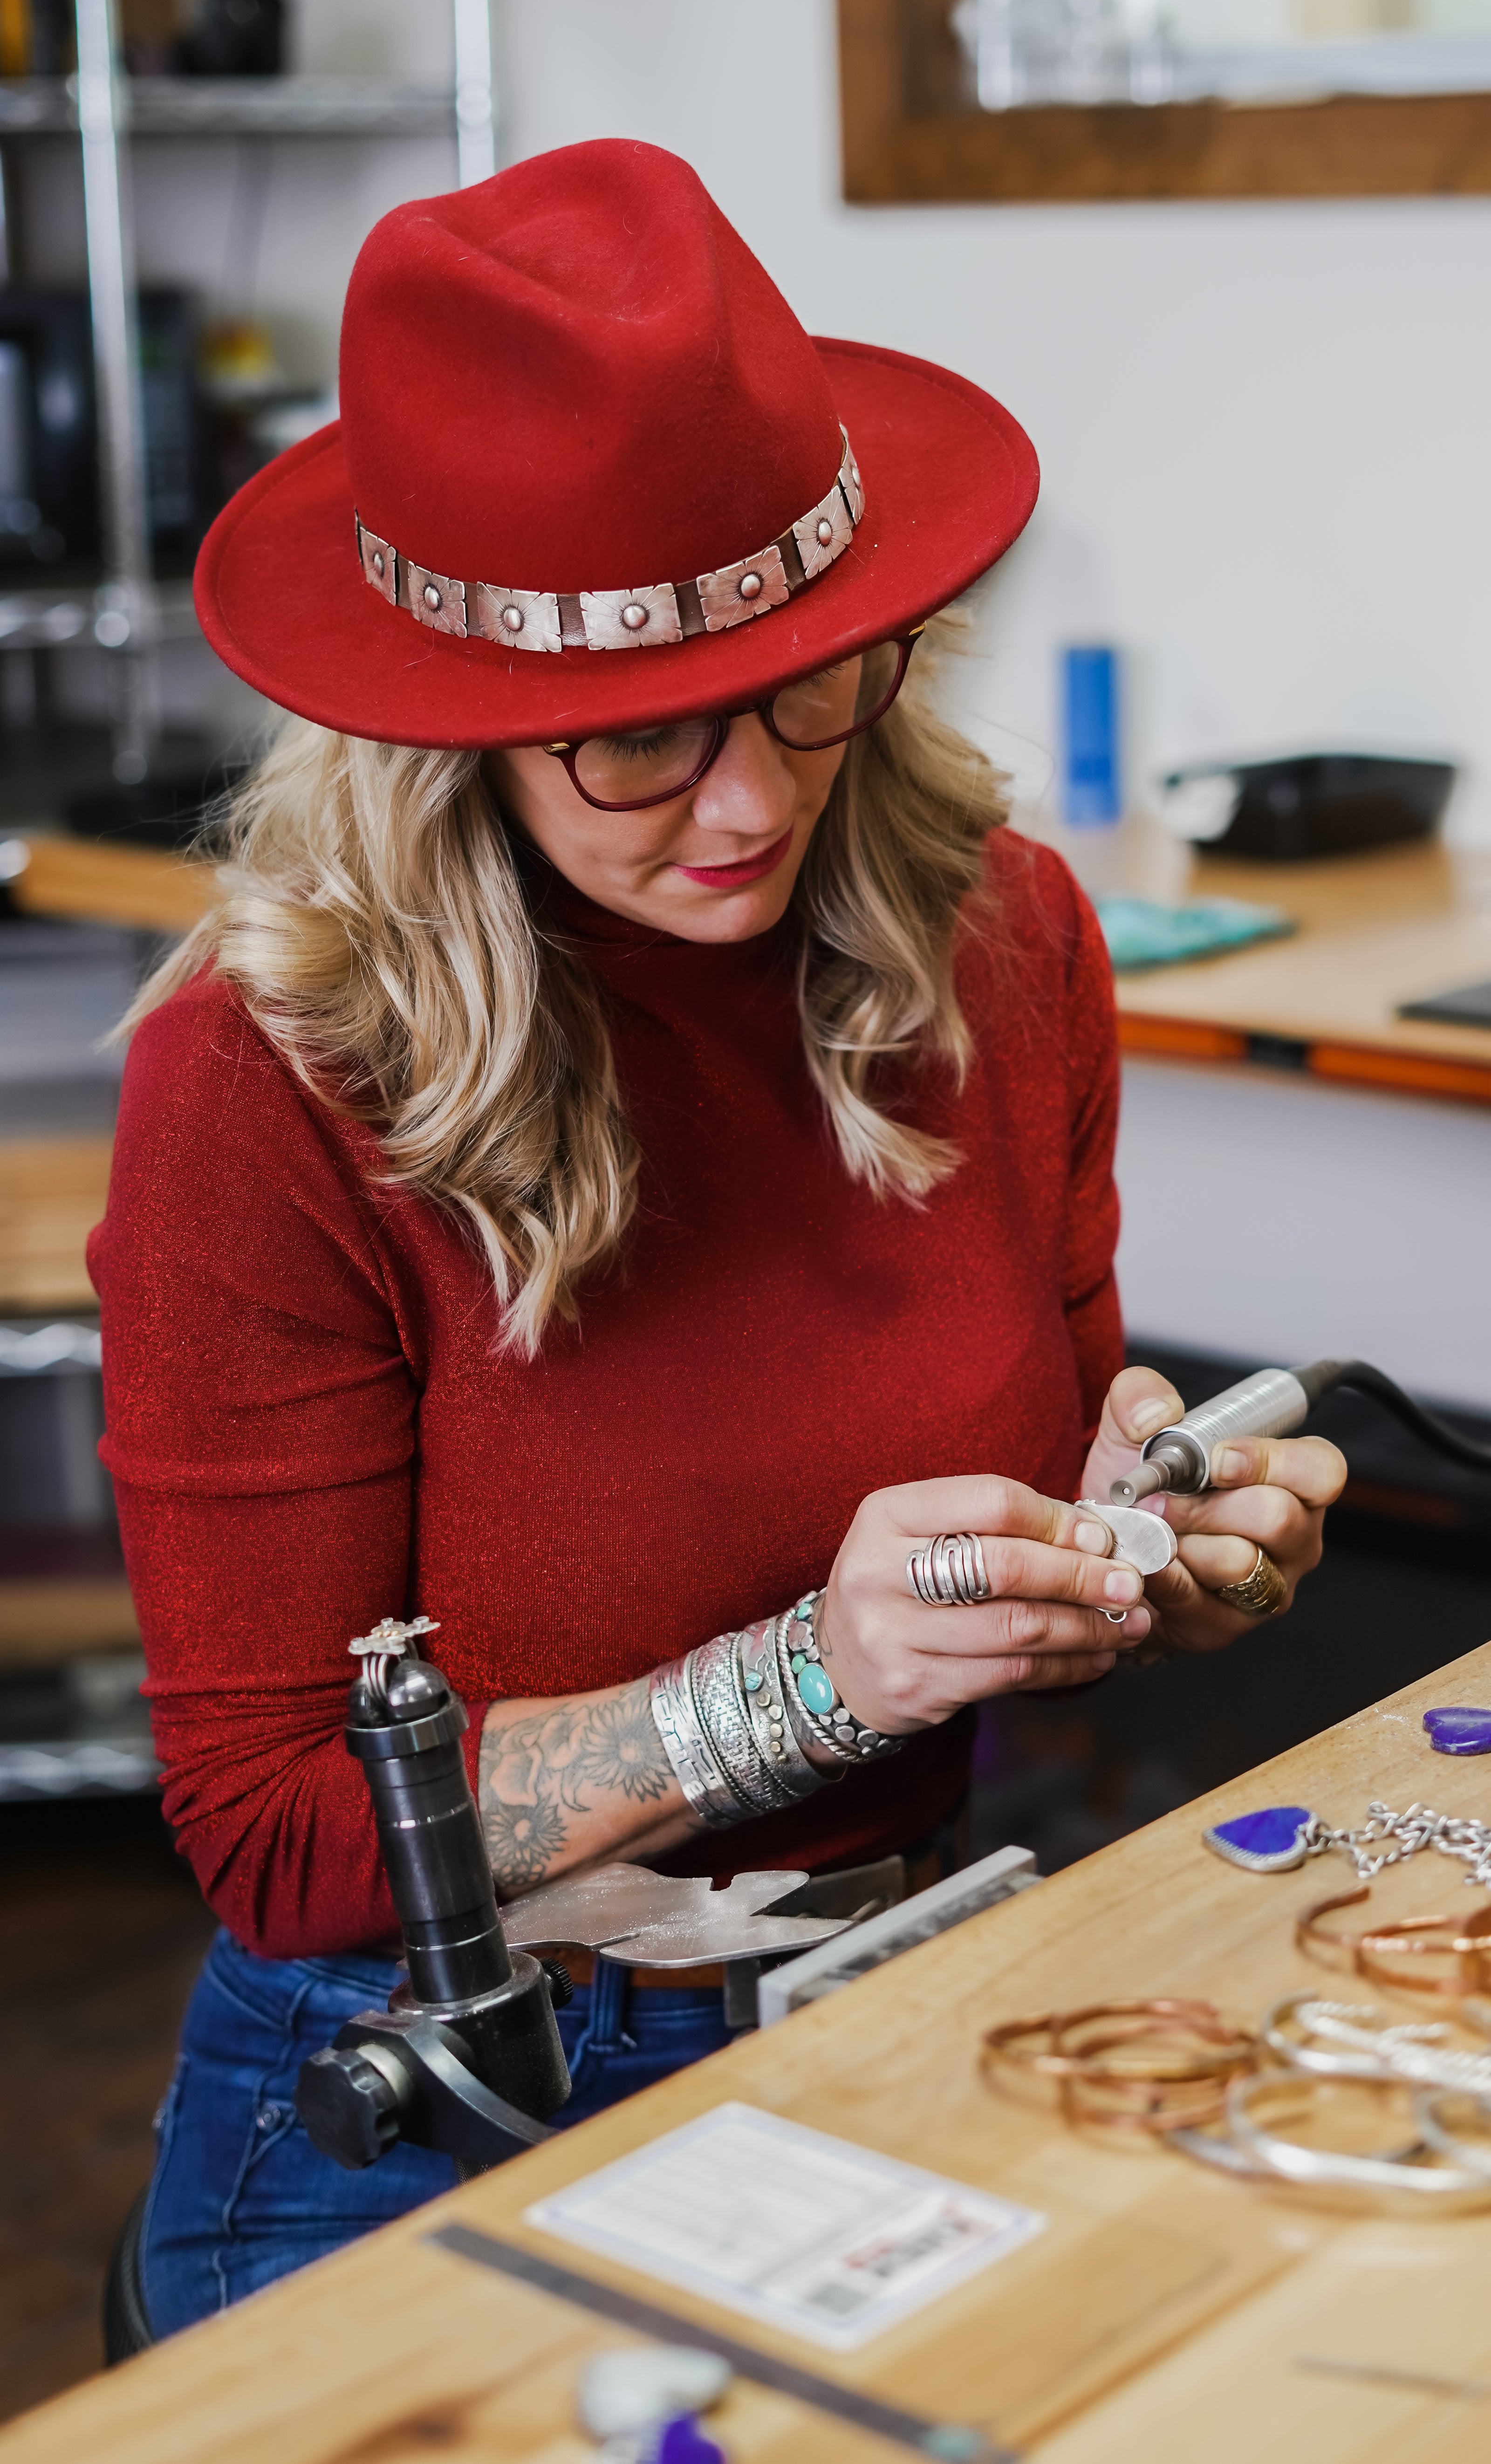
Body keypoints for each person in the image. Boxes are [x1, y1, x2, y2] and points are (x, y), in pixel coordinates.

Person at [90, 141, 1346, 2337]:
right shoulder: (257, 1082)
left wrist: (1146, 1530)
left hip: (886, 1987)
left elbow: (1059, 1424)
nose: (753, 798)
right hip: (445, 2078)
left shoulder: (1006, 935)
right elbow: (283, 1837)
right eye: (635, 738)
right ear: (443, 739)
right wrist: (806, 1680)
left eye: (806, 681)